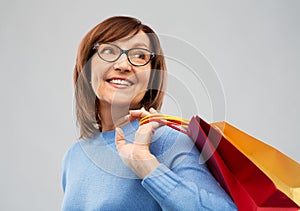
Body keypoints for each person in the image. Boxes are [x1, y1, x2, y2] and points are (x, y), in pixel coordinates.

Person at [61, 16, 237, 210]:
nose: (123, 65)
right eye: (109, 50)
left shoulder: (170, 142)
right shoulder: (75, 155)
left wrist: (148, 167)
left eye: (139, 55)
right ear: (86, 67)